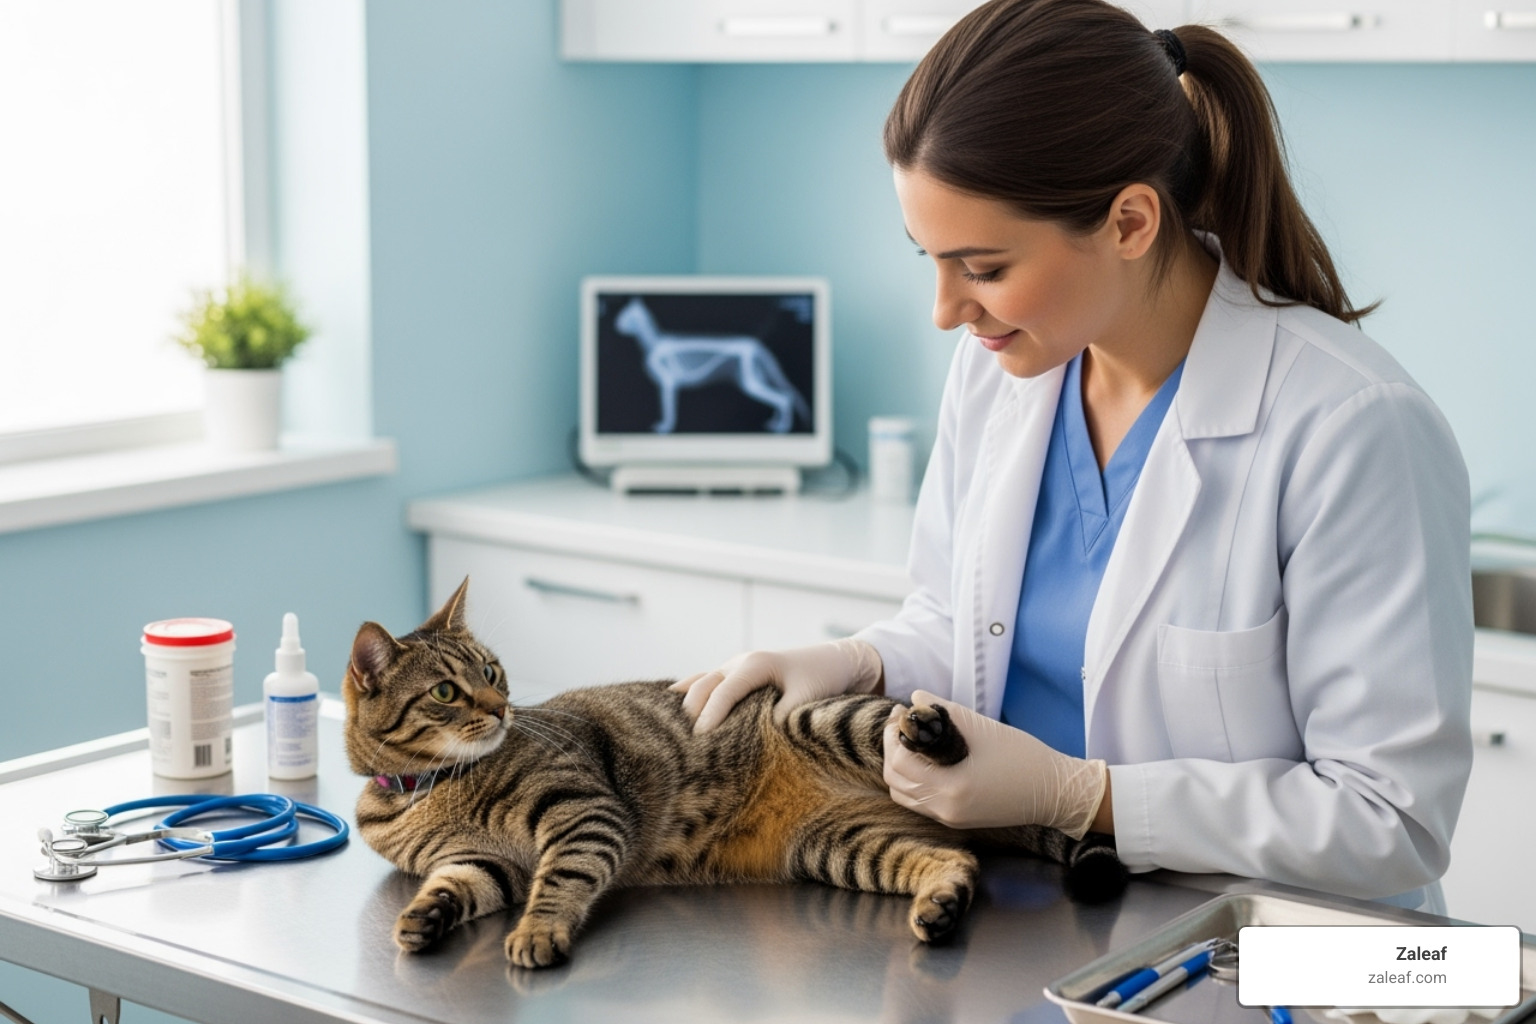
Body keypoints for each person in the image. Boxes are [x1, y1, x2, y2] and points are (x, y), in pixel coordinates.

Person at [673, 0, 1472, 912]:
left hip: (1279, 954)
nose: (947, 310)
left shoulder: (1352, 425)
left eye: (983, 267)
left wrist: (1082, 796)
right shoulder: (1004, 368)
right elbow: (963, 624)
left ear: (1131, 222)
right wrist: (857, 665)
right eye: (929, 259)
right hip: (1037, 918)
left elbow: (1392, 822)